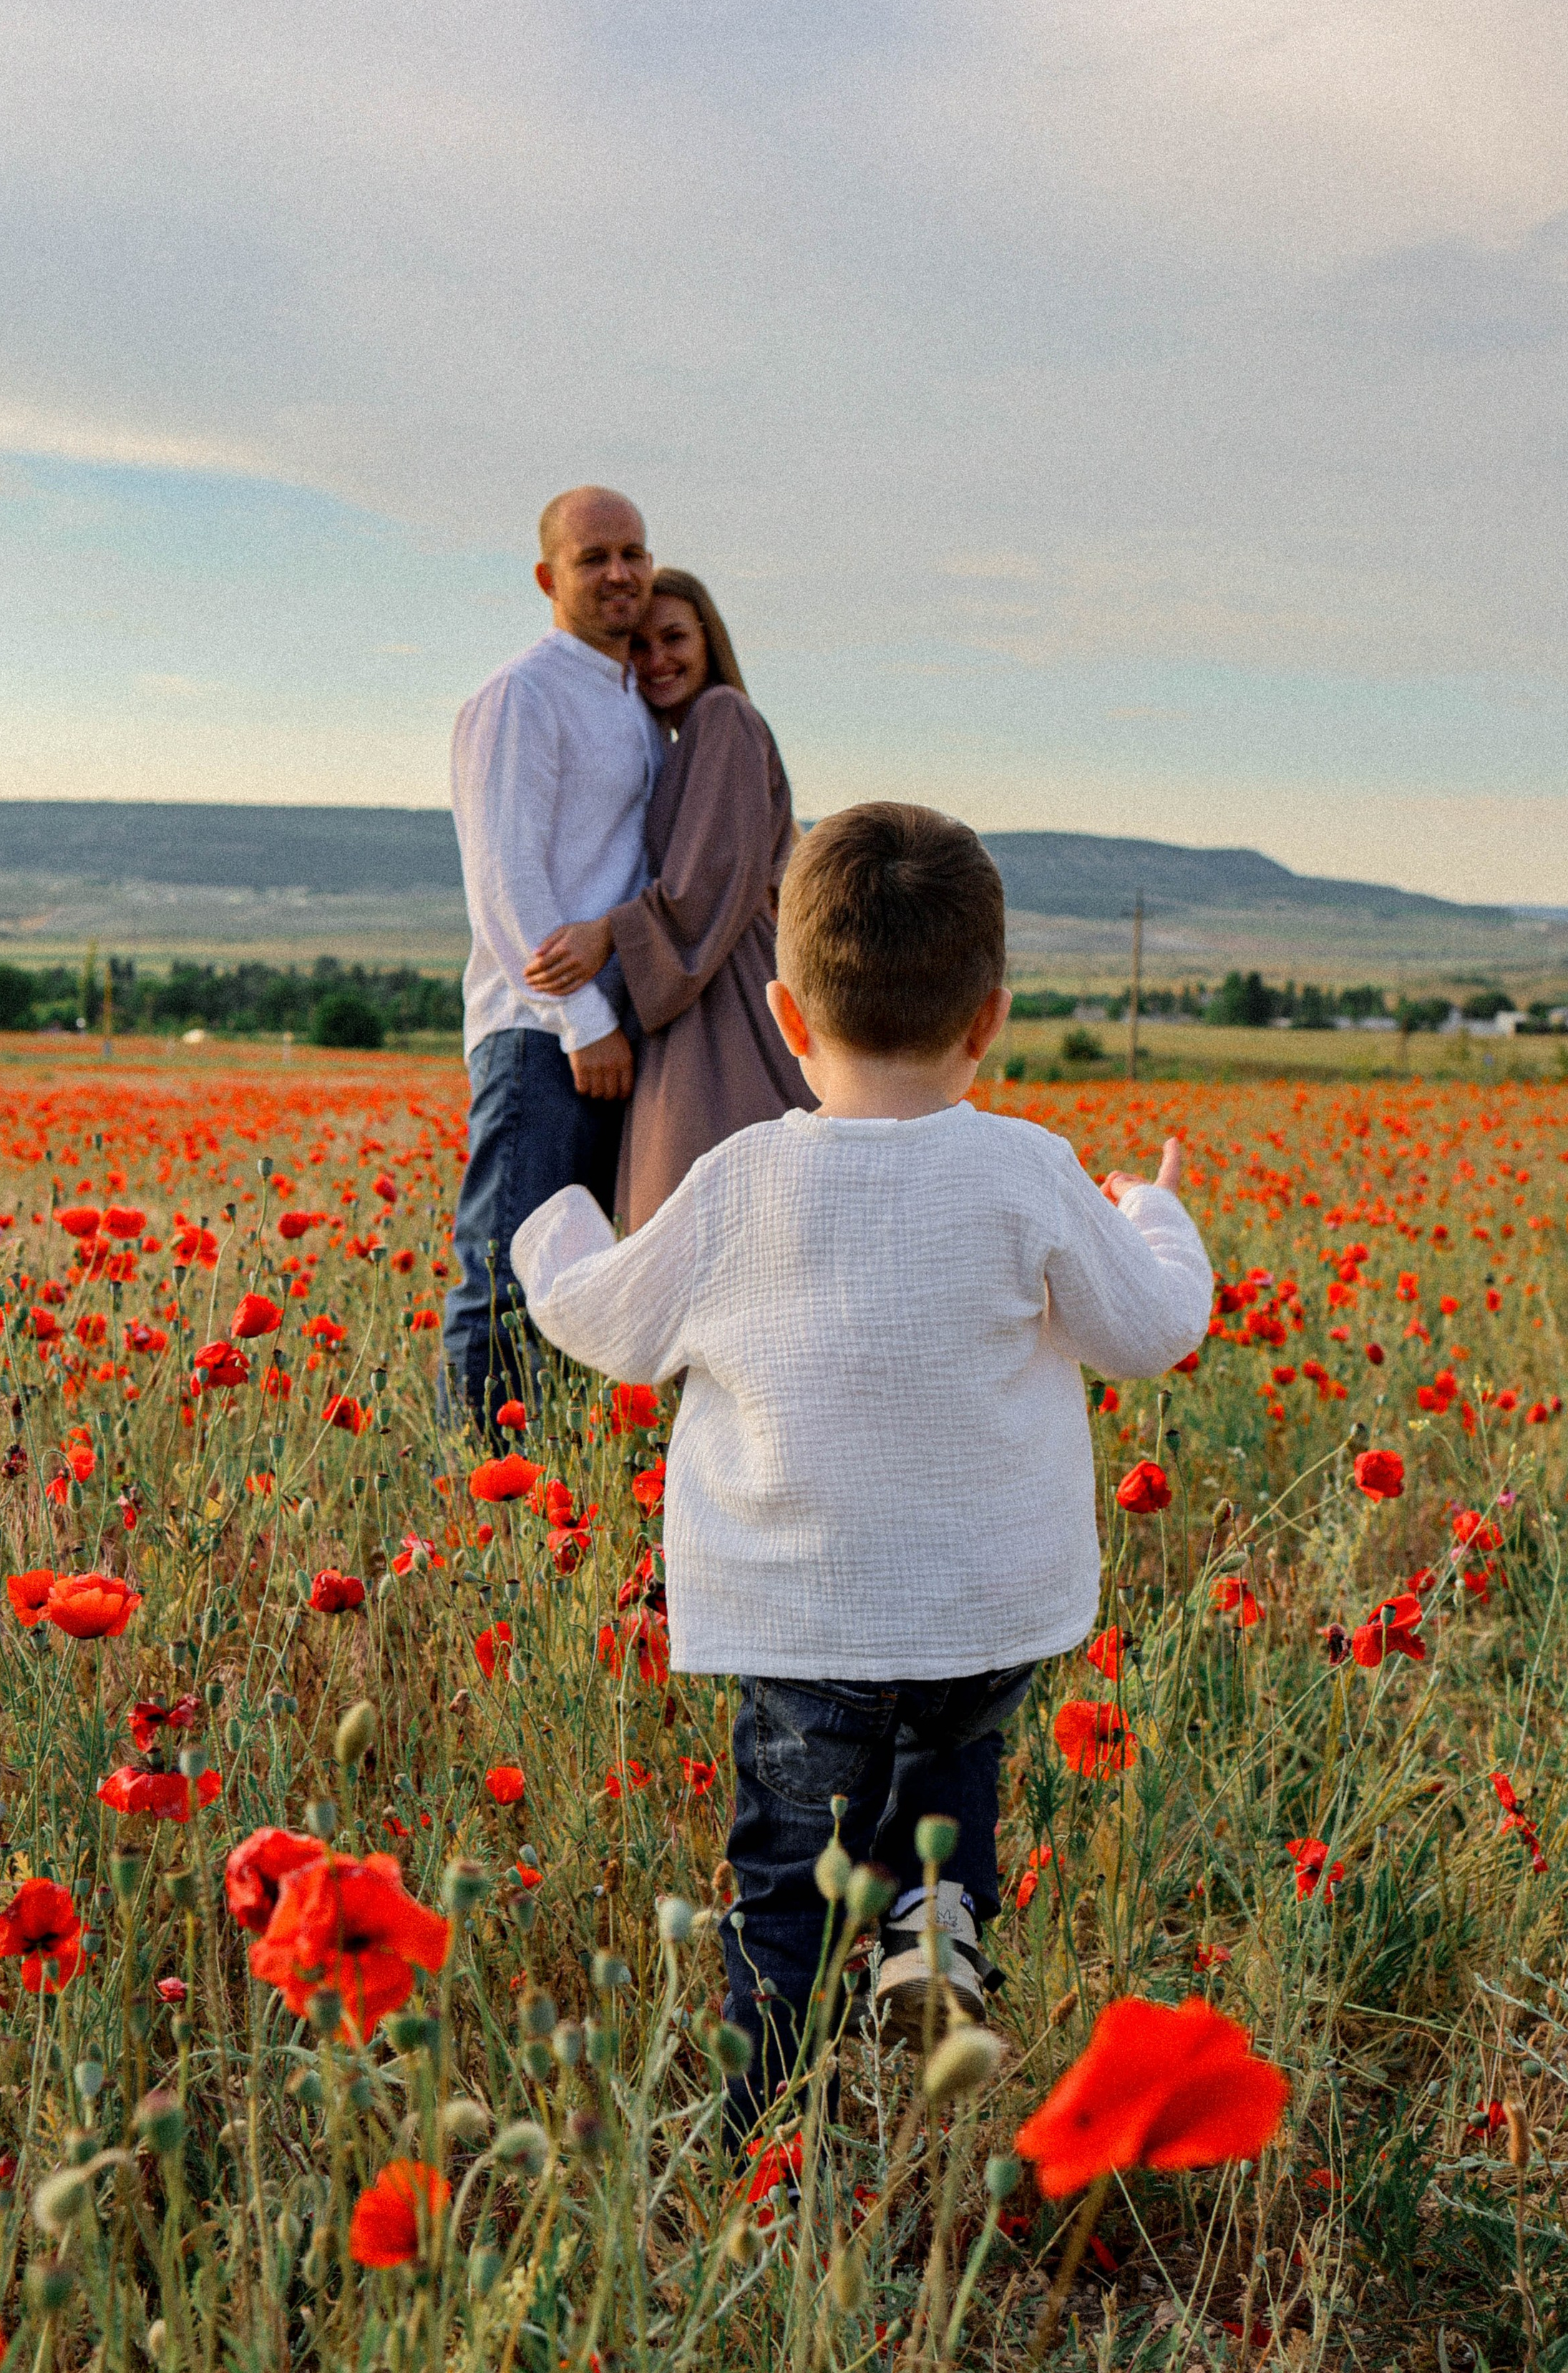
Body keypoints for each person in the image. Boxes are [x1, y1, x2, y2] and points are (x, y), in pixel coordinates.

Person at [510, 802, 1213, 2118]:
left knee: (787, 1879)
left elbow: (608, 1325)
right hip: (983, 1608)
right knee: (952, 1763)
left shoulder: (738, 1181)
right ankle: (937, 1920)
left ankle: (764, 2131)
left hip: (799, 1618)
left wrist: (549, 1228)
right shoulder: (1032, 1173)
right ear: (989, 1018)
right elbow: (1154, 1328)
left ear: (784, 1016)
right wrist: (1155, 1210)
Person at [440, 486, 663, 1428]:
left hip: (616, 1034)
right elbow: (506, 882)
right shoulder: (521, 695)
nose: (620, 572)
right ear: (547, 578)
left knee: (581, 1275)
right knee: (507, 1266)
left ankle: (552, 1481)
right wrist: (584, 1022)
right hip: (543, 1037)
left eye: (634, 553)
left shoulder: (638, 704)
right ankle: (473, 1493)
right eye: (593, 556)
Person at [521, 569, 811, 1231]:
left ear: (709, 641)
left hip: (723, 990)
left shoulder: (723, 716)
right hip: (694, 981)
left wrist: (610, 933)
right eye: (641, 647)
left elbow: (714, 873)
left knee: (710, 1203)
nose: (657, 661)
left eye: (675, 638)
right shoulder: (680, 742)